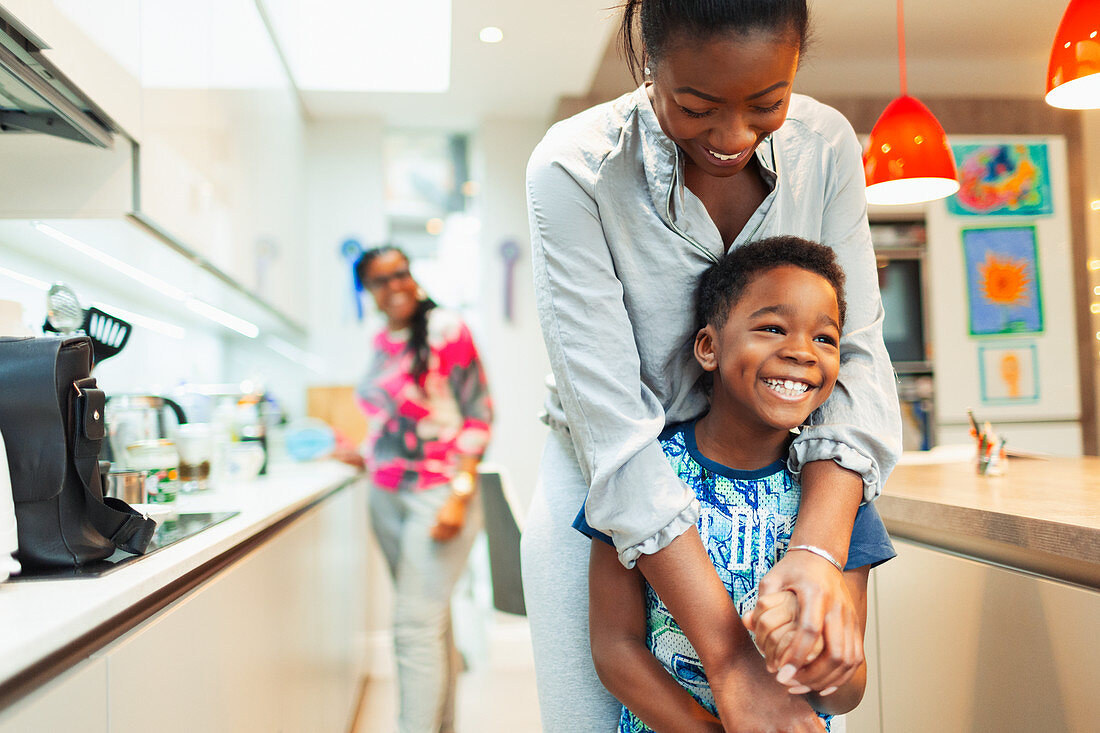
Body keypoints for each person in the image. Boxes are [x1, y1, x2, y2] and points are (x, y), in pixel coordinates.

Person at [522, 1, 902, 730]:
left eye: (768, 104)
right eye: (694, 106)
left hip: (784, 478)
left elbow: (854, 355)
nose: (731, 137)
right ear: (647, 65)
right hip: (611, 482)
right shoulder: (574, 169)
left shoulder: (824, 147)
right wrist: (728, 663)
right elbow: (615, 434)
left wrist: (818, 550)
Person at [585, 237, 896, 733]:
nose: (801, 352)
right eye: (773, 328)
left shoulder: (839, 499)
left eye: (825, 338)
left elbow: (847, 692)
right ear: (709, 347)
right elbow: (615, 648)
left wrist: (815, 656)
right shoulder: (642, 476)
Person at [350, 245, 493, 733]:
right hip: (385, 495)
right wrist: (358, 451)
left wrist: (460, 491)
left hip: (438, 494)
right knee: (430, 621)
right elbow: (389, 424)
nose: (396, 286)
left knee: (413, 628)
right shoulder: (380, 341)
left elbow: (479, 414)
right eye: (382, 280)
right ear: (367, 291)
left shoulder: (446, 329)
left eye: (402, 274)